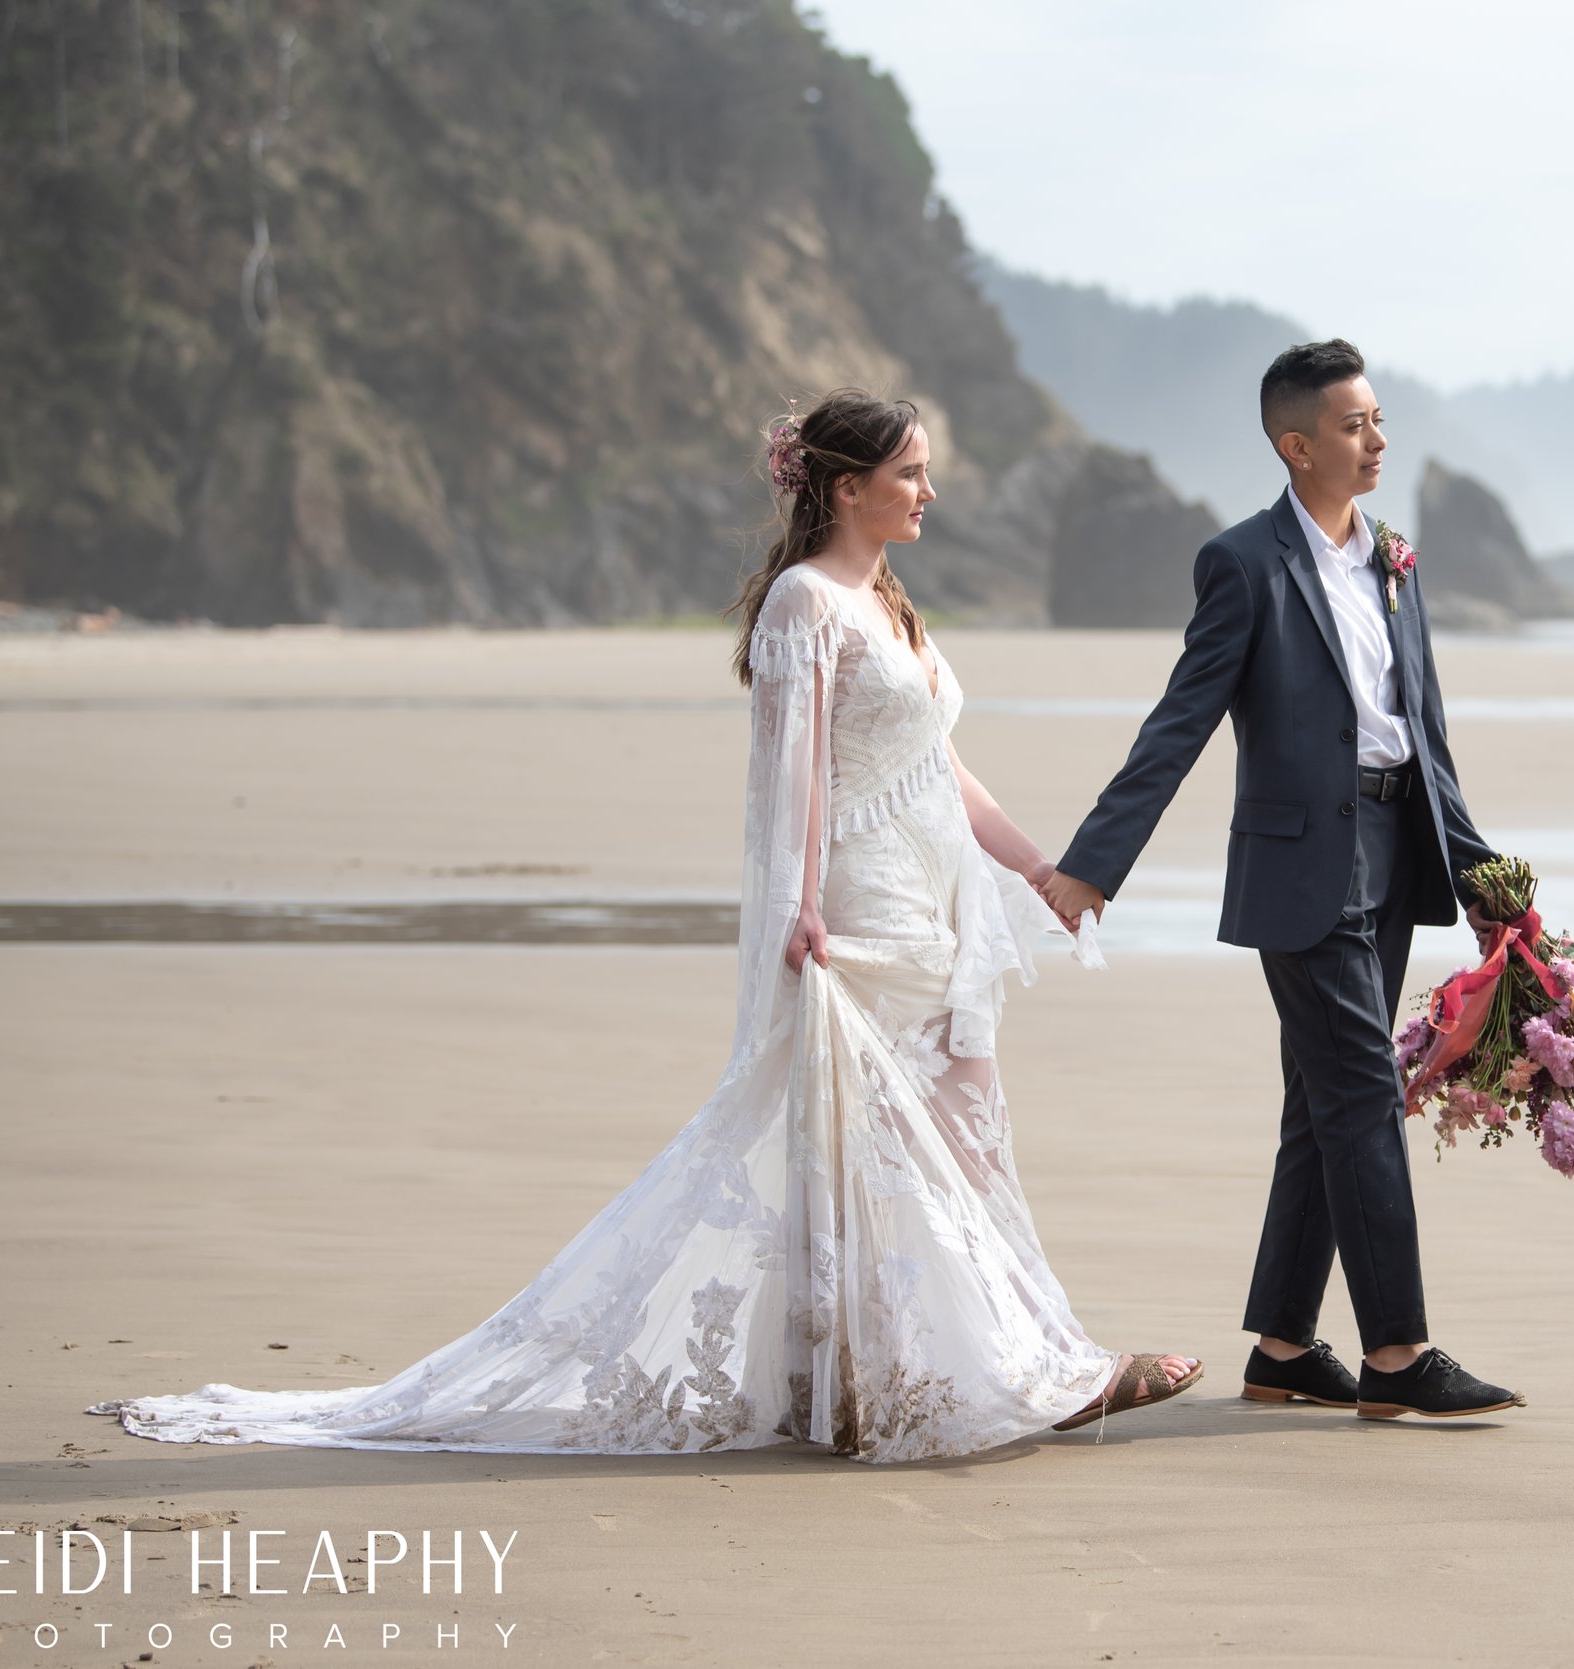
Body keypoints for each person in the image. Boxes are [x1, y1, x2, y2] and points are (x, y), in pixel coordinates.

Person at [89, 391, 1201, 1464]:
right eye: (909, 471)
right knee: (873, 1144)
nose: (929, 489)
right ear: (849, 486)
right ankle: (990, 1375)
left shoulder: (887, 603)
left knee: (955, 1127)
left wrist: (1043, 869)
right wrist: (802, 906)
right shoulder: (804, 602)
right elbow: (793, 776)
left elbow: (939, 768)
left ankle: (942, 1373)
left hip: (932, 904)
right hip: (862, 905)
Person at [1041, 340, 1526, 1421]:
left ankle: (1283, 1348)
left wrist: (1483, 869)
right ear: (1294, 444)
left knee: (1321, 1103)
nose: (1377, 441)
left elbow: (1424, 733)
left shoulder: (1394, 559)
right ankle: (1398, 1354)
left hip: (1398, 855)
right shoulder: (1244, 563)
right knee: (1361, 1091)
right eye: (1353, 426)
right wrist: (1091, 866)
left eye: (1379, 420)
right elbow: (1181, 720)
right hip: (1300, 866)